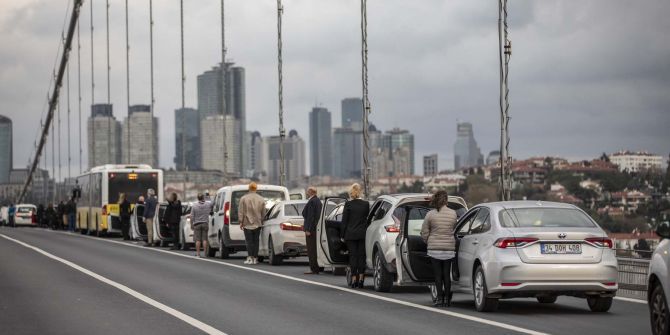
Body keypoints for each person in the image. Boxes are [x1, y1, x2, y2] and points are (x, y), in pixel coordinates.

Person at [421, 190, 458, 307]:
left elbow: (424, 232)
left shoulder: (430, 214)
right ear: (446, 200)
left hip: (434, 249)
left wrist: (428, 241)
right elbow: (455, 229)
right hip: (449, 248)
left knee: (437, 275)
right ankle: (447, 299)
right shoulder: (453, 213)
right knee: (446, 274)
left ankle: (439, 298)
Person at [341, 183, 371, 288]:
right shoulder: (366, 204)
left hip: (350, 234)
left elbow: (344, 221)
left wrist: (342, 235)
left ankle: (354, 279)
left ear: (351, 193)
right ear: (360, 191)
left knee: (353, 257)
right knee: (361, 256)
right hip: (362, 234)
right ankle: (361, 279)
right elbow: (367, 219)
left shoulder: (348, 205)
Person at [238, 182, 267, 265]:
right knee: (256, 241)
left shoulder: (243, 198)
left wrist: (241, 222)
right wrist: (262, 220)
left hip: (247, 223)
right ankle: (255, 258)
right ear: (256, 189)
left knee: (249, 241)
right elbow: (263, 212)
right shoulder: (261, 199)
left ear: (249, 188)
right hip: (258, 223)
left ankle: (250, 257)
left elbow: (241, 211)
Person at [301, 186, 323, 274]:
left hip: (311, 230)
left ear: (311, 192)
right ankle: (318, 267)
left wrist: (308, 229)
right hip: (316, 229)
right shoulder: (318, 201)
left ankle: (313, 268)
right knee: (316, 249)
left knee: (311, 249)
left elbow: (310, 217)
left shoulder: (312, 201)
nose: (307, 193)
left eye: (307, 191)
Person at [189, 193, 212, 257]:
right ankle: (205, 254)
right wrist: (208, 197)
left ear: (197, 198)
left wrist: (191, 224)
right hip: (205, 223)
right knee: (205, 239)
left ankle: (198, 254)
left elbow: (192, 216)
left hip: (197, 224)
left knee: (198, 240)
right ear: (203, 197)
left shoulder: (194, 205)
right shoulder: (208, 204)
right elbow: (212, 202)